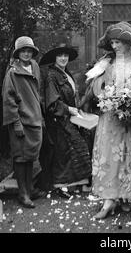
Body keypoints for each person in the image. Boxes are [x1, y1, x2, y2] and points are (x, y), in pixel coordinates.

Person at [84, 21, 131, 219]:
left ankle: (126, 196)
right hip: (111, 118)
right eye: (112, 43)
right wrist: (108, 97)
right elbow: (95, 89)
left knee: (130, 154)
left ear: (129, 44)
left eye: (118, 43)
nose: (114, 47)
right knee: (111, 155)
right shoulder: (105, 63)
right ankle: (109, 200)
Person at [40, 43, 92, 198]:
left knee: (74, 150)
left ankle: (71, 184)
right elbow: (52, 102)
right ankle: (59, 186)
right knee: (63, 152)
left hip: (69, 118)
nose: (63, 58)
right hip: (58, 119)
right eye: (60, 55)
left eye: (65, 55)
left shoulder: (65, 73)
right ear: (54, 58)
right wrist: (69, 109)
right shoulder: (51, 75)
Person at [2, 36, 43, 208]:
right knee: (20, 157)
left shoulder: (34, 66)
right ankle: (23, 193)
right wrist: (16, 123)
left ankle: (30, 187)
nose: (26, 54)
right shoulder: (12, 72)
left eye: (29, 51)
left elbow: (38, 93)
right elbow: (8, 99)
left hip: (35, 118)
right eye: (23, 51)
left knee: (31, 156)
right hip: (21, 120)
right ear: (18, 54)